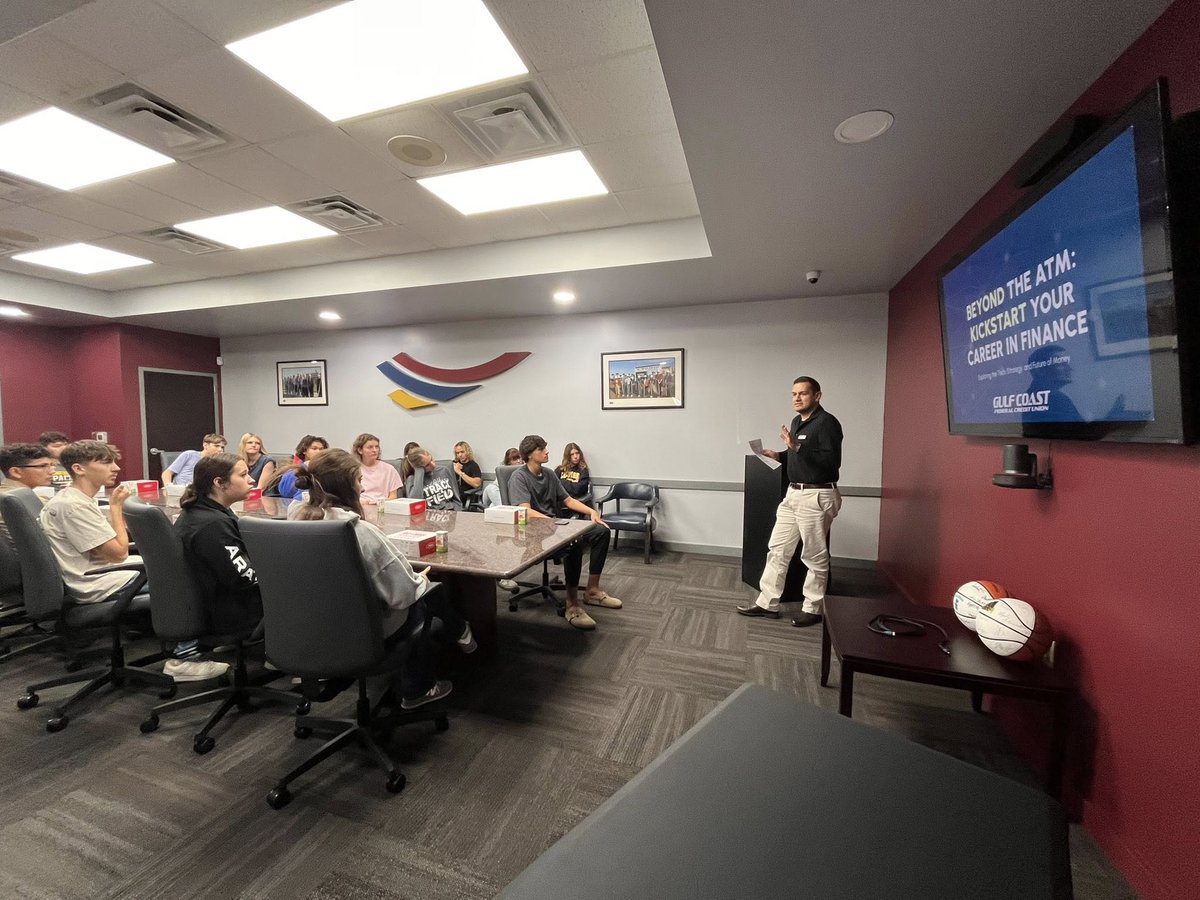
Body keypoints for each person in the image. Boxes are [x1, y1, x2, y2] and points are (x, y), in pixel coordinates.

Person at [290, 449, 475, 708]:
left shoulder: (293, 518)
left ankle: (460, 633)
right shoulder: (358, 531)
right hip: (365, 631)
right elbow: (402, 595)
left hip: (312, 627)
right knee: (428, 592)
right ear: (347, 486)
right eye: (358, 479)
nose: (362, 485)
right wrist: (417, 579)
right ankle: (417, 688)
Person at [38, 440, 232, 681]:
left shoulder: (74, 500)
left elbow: (100, 550)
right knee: (193, 581)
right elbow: (118, 553)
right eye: (106, 462)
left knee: (180, 567)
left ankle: (205, 641)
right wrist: (117, 508)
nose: (116, 468)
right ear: (79, 468)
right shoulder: (73, 506)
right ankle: (184, 658)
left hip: (97, 574)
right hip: (98, 583)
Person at [736, 376, 842, 627]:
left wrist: (795, 447)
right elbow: (798, 455)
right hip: (793, 494)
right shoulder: (797, 422)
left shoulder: (827, 423)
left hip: (817, 494)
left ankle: (813, 608)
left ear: (817, 396)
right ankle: (767, 603)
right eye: (794, 394)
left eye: (803, 394)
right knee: (778, 549)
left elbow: (830, 462)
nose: (797, 398)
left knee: (813, 555)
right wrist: (780, 455)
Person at [509, 434, 622, 630]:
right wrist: (554, 522)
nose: (546, 451)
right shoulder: (519, 477)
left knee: (600, 531)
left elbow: (568, 500)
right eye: (541, 449)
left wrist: (591, 511)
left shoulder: (550, 474)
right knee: (574, 542)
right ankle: (572, 605)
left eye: (545, 447)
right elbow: (525, 511)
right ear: (529, 455)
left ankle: (592, 591)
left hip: (555, 527)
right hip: (534, 532)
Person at [174, 453, 264, 637]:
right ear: (219, 483)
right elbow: (242, 578)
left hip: (215, 602)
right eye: (243, 475)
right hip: (231, 612)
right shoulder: (213, 524)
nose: (252, 480)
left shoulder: (202, 510)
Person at [0, 442, 56, 549]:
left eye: (52, 465)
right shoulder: (18, 501)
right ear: (16, 472)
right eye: (43, 466)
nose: (52, 471)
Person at [268, 435, 328, 499]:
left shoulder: (327, 469)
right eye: (314, 448)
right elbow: (286, 493)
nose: (318, 452)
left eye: (321, 449)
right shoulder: (295, 470)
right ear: (304, 451)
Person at [354, 433, 402, 504]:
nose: (375, 450)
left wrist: (379, 502)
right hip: (359, 506)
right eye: (370, 447)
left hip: (381, 506)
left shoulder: (389, 469)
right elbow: (348, 496)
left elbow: (393, 496)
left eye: (377, 447)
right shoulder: (353, 469)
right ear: (360, 450)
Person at [162, 433, 227, 486]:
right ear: (205, 445)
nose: (220, 449)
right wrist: (169, 488)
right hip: (180, 490)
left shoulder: (217, 463)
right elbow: (167, 473)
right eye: (216, 446)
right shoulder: (189, 454)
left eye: (222, 447)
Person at [554, 443, 592, 513]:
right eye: (572, 454)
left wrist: (562, 482)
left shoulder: (583, 470)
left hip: (576, 504)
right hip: (559, 504)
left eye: (577, 453)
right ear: (567, 456)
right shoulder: (560, 469)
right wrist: (571, 485)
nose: (575, 456)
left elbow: (578, 490)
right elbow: (554, 487)